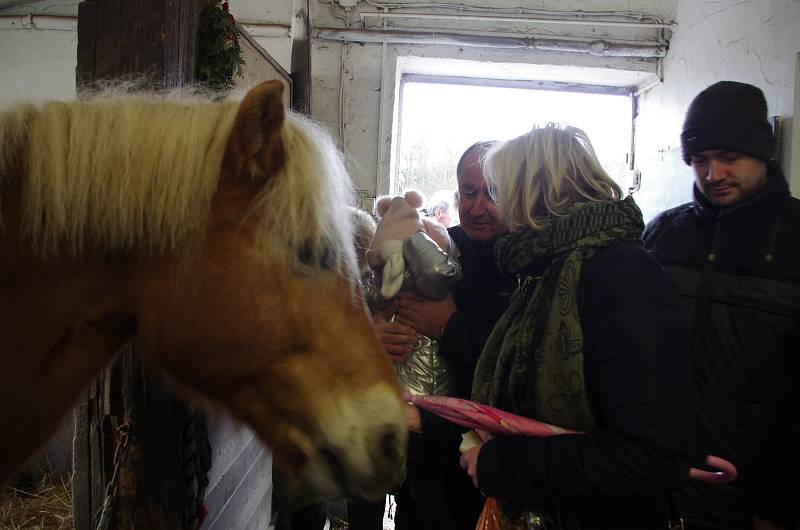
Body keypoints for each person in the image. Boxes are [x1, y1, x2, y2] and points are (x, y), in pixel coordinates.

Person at [458, 124, 693, 529]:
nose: (494, 209)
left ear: (535, 194)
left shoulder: (620, 275)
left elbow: (651, 457)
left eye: (499, 192)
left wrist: (504, 464)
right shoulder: (547, 270)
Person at [643, 81, 800, 530]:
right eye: (699, 160)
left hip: (750, 496)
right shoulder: (664, 235)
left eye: (729, 157)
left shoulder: (795, 240)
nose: (713, 174)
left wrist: (778, 504)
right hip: (657, 481)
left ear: (762, 153)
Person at [378, 141, 513, 530]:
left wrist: (448, 325)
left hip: (484, 464)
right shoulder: (438, 248)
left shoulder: (524, 264)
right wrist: (374, 332)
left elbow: (510, 358)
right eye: (469, 193)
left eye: (493, 194)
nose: (477, 207)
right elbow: (380, 298)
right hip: (422, 458)